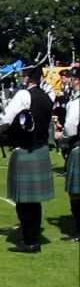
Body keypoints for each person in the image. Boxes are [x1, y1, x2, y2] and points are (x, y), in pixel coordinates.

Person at [0, 62, 55, 253]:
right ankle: (32, 236)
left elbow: (7, 118)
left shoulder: (23, 94)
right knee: (34, 201)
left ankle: (29, 241)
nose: (21, 78)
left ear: (28, 77)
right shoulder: (46, 96)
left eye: (22, 75)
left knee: (23, 200)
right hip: (41, 149)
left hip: (26, 150)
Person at [60, 66, 80, 241]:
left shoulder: (76, 102)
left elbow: (70, 127)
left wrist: (62, 138)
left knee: (76, 192)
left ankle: (78, 230)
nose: (71, 82)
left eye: (73, 79)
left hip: (77, 147)